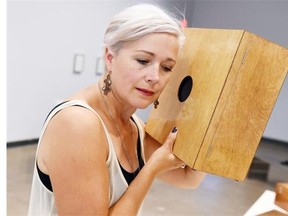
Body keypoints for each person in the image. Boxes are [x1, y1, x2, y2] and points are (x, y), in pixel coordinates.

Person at [28, 3, 206, 215]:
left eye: (166, 67)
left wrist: (213, 121)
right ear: (110, 58)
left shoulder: (135, 128)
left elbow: (188, 178)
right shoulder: (77, 124)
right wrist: (150, 170)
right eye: (143, 60)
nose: (155, 77)